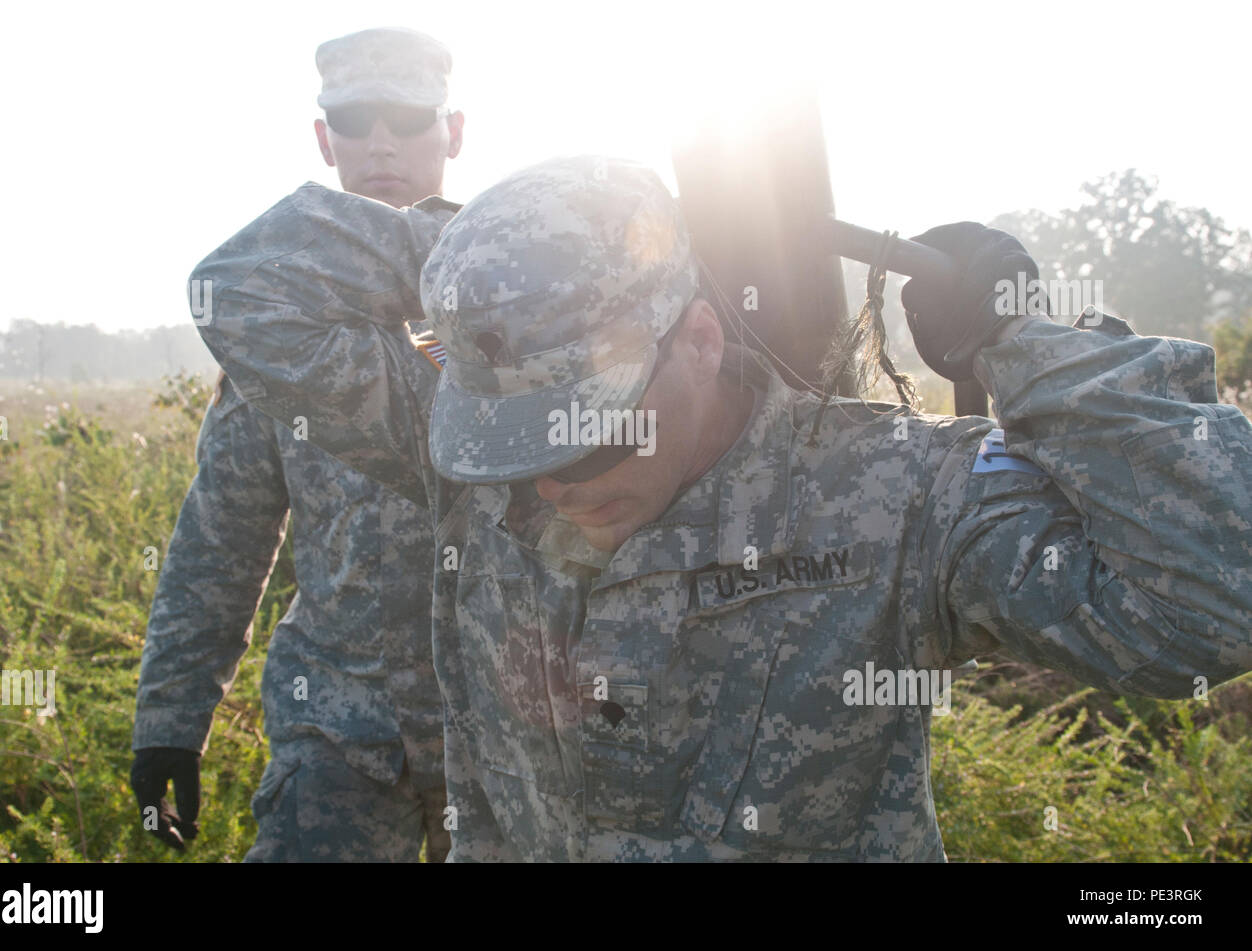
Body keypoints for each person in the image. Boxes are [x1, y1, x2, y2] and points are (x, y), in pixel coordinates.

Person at [192, 156, 1252, 861]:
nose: (550, 482)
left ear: (698, 333)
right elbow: (242, 284)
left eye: (591, 430)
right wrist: (503, 271)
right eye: (508, 451)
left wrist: (1030, 346)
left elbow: (1207, 607)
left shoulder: (893, 493)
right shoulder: (472, 467)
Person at [131, 27, 463, 862]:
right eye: (354, 119)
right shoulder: (276, 329)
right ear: (325, 139)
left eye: (407, 115)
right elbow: (222, 539)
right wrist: (170, 721)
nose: (380, 140)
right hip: (342, 736)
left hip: (507, 736)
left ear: (453, 131)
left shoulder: (525, 306)